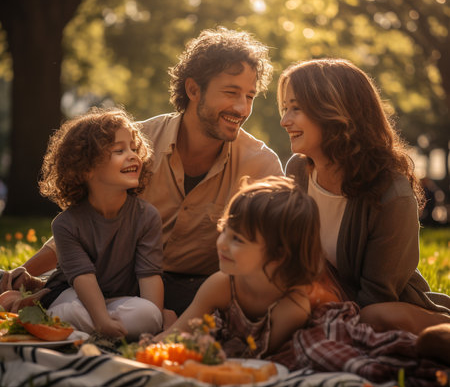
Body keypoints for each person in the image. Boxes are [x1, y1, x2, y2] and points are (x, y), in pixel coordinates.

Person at [1, 27, 282, 318]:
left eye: (250, 96)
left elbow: (277, 249)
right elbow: (86, 223)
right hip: (116, 274)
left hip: (195, 286)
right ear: (193, 89)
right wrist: (19, 272)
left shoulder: (261, 166)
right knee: (72, 295)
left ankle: (46, 294)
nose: (241, 107)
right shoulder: (137, 144)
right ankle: (37, 290)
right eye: (231, 92)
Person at [278, 58, 450, 337]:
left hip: (381, 312)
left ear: (333, 110)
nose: (285, 120)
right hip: (311, 302)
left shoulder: (391, 195)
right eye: (285, 108)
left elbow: (376, 297)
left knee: (373, 315)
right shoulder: (297, 170)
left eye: (295, 108)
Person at [156, 176, 345, 356]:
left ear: (278, 254)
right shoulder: (221, 285)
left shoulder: (292, 307)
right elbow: (176, 334)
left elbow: (259, 359)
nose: (222, 243)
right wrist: (149, 349)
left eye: (237, 239)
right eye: (225, 231)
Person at [37, 107, 164, 339]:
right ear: (86, 168)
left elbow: (150, 276)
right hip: (72, 293)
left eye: (134, 149)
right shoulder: (66, 224)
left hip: (118, 300)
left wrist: (155, 321)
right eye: (119, 150)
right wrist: (101, 319)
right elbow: (82, 277)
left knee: (148, 314)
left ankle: (87, 331)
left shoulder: (147, 216)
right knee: (69, 310)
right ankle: (98, 328)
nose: (133, 155)